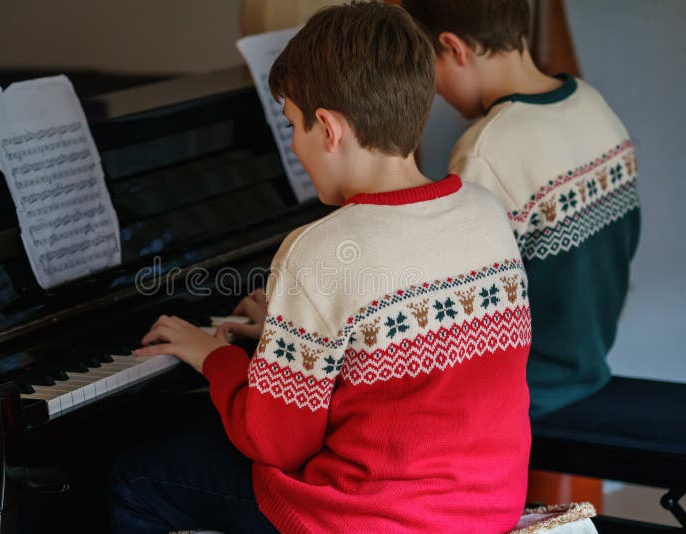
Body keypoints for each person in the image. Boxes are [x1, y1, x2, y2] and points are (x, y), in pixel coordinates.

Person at [110, 3, 531, 532]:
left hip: (372, 519)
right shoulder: (486, 212)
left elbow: (278, 442)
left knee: (135, 478)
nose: (293, 146)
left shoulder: (319, 249)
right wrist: (294, 341)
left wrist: (214, 356)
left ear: (328, 128)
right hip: (487, 507)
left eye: (292, 126)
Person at [403, 0, 641, 419]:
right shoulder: (593, 104)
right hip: (591, 362)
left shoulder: (487, 149)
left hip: (524, 393)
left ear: (454, 47)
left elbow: (456, 310)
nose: (434, 90)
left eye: (429, 70)